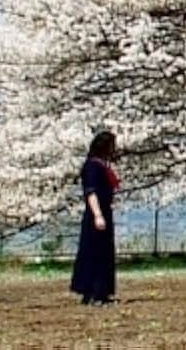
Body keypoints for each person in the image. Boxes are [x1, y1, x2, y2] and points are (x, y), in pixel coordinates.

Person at [70, 131, 121, 305]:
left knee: (104, 252)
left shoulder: (102, 165)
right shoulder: (92, 166)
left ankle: (101, 291)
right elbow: (90, 192)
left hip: (105, 211)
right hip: (96, 214)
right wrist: (98, 215)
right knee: (95, 252)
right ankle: (93, 292)